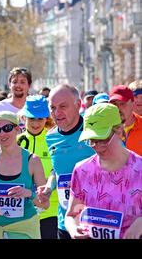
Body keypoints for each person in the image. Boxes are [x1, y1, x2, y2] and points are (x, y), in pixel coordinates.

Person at [65, 103, 142, 239]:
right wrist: (73, 229)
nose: (97, 147)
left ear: (118, 130)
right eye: (92, 141)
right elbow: (71, 215)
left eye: (103, 140)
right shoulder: (82, 170)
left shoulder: (139, 169)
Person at [37, 83, 95, 239]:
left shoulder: (95, 132)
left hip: (95, 221)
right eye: (53, 108)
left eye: (63, 106)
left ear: (77, 105)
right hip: (65, 222)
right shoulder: (50, 137)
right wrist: (49, 188)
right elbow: (57, 170)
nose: (57, 113)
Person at [0, 111, 48, 239]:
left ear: (17, 129)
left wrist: (29, 193)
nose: (2, 134)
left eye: (7, 128)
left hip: (23, 229)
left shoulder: (32, 161)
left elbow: (44, 204)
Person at [16, 95, 58, 239]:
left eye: (40, 118)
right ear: (24, 118)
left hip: (50, 211)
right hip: (21, 211)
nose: (35, 123)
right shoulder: (15, 141)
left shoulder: (53, 140)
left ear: (47, 118)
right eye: (31, 118)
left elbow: (58, 171)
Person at [0, 67, 32, 152]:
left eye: (22, 82)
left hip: (31, 161)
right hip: (4, 162)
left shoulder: (36, 108)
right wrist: (5, 132)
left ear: (29, 85)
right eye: (14, 82)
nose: (18, 85)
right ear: (9, 85)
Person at [108, 85, 142, 156]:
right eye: (114, 104)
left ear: (133, 104)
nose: (118, 108)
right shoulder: (102, 128)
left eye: (122, 104)